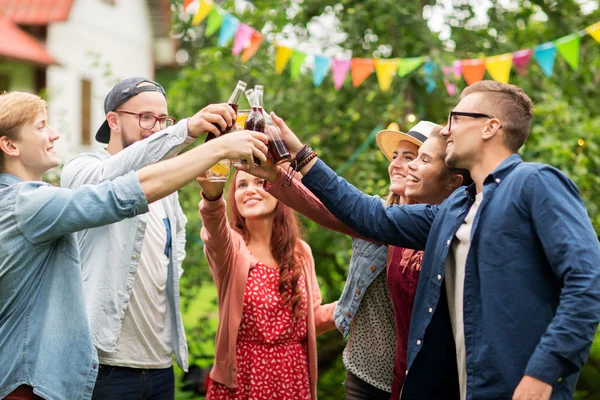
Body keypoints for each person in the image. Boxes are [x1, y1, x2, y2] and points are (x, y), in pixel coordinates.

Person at [266, 80, 600, 400]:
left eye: (456, 118)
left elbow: (587, 280)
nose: (445, 129)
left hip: (517, 387)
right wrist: (299, 152)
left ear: (490, 127)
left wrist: (543, 373)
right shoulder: (457, 206)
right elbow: (370, 216)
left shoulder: (535, 183)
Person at [0, 91, 268, 400]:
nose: (54, 133)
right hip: (26, 385)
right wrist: (214, 146)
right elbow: (120, 193)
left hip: (129, 368)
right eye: (40, 126)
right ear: (10, 146)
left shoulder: (29, 199)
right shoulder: (27, 203)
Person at [249, 124, 470, 399]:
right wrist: (274, 173)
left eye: (413, 158)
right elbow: (324, 208)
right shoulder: (378, 217)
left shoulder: (450, 227)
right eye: (395, 157)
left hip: (420, 378)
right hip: (367, 370)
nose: (400, 165)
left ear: (450, 177)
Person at [59, 77, 242, 399]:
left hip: (159, 365)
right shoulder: (83, 169)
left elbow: (173, 256)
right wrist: (185, 130)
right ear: (113, 120)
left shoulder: (165, 190)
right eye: (146, 118)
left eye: (163, 120)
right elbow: (113, 179)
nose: (157, 128)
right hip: (104, 365)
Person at [196, 168, 337, 400]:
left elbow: (311, 320)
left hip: (293, 377)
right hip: (243, 377)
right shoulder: (230, 249)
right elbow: (214, 229)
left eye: (260, 182)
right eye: (242, 185)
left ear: (278, 189)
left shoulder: (300, 252)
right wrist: (212, 198)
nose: (250, 190)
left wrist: (349, 308)